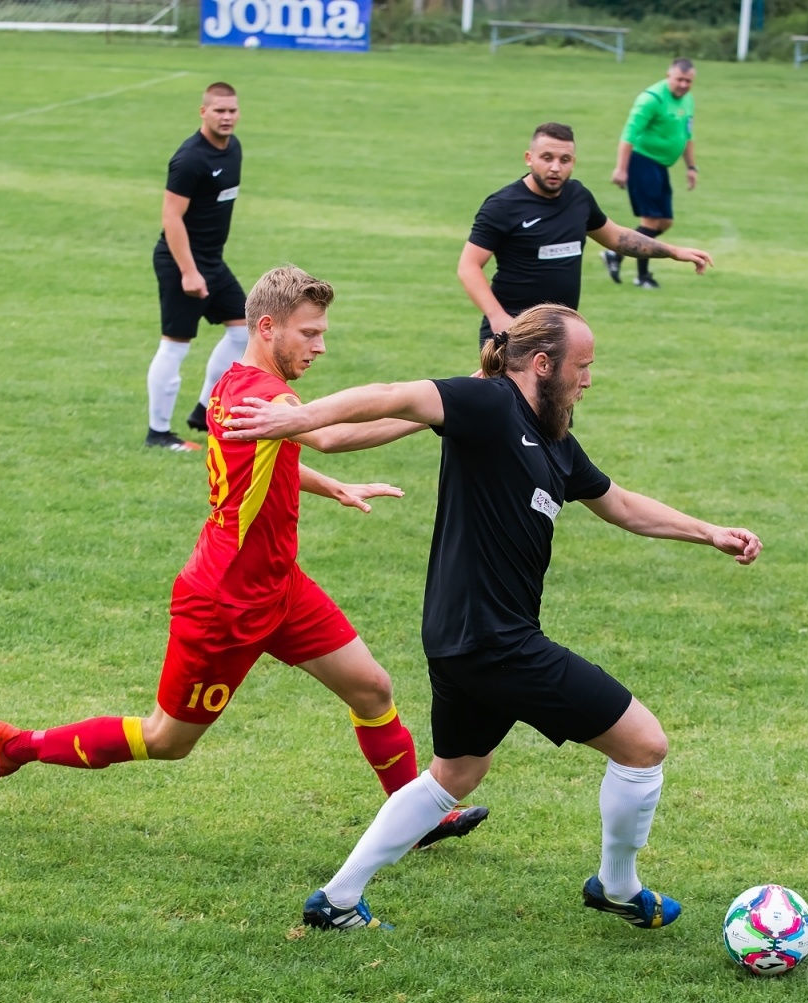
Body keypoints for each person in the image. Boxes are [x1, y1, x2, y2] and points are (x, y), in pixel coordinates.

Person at [221, 303, 763, 932]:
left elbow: (618, 504)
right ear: (542, 364)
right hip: (495, 642)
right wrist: (299, 417)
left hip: (462, 640)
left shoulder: (555, 440)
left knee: (455, 774)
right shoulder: (490, 405)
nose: (588, 379)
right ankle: (617, 886)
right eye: (582, 366)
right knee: (644, 745)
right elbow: (395, 394)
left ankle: (336, 899)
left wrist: (709, 532)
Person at [0, 266, 488, 852]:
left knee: (372, 689)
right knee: (168, 739)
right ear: (268, 327)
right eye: (309, 334)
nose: (320, 347)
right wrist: (444, 404)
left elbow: (272, 461)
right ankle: (13, 746)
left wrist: (334, 488)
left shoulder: (234, 381)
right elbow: (328, 435)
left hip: (280, 586)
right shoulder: (268, 395)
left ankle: (418, 821)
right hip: (224, 601)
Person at [459, 122, 713, 350]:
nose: (555, 167)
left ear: (574, 161)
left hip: (562, 333)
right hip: (513, 332)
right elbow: (469, 266)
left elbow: (616, 237)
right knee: (506, 403)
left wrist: (673, 251)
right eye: (547, 158)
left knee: (557, 405)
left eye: (564, 159)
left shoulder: (578, 197)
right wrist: (497, 317)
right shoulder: (503, 205)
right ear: (529, 158)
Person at [145, 82, 251, 453]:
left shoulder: (233, 148)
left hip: (212, 261)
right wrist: (189, 272)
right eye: (219, 111)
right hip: (181, 261)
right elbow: (171, 217)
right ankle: (158, 434)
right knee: (176, 345)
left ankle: (205, 410)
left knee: (245, 329)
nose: (227, 117)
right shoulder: (190, 159)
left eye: (232, 110)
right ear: (203, 112)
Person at [605, 59, 699, 290]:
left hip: (661, 166)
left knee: (665, 222)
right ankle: (643, 277)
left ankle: (615, 254)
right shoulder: (651, 99)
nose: (684, 85)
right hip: (642, 161)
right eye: (679, 79)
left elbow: (686, 136)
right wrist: (621, 168)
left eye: (688, 81)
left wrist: (691, 167)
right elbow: (629, 135)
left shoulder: (688, 100)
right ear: (669, 75)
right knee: (650, 221)